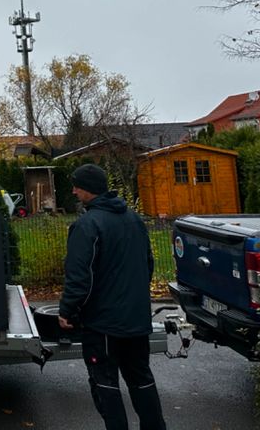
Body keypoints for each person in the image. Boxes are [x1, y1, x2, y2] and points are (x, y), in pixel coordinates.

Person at [58, 163, 167, 430]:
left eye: (77, 186)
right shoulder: (134, 219)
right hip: (136, 319)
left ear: (89, 189)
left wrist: (67, 310)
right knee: (141, 378)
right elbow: (148, 264)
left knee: (105, 383)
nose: (73, 190)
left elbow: (81, 276)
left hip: (103, 323)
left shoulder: (87, 225)